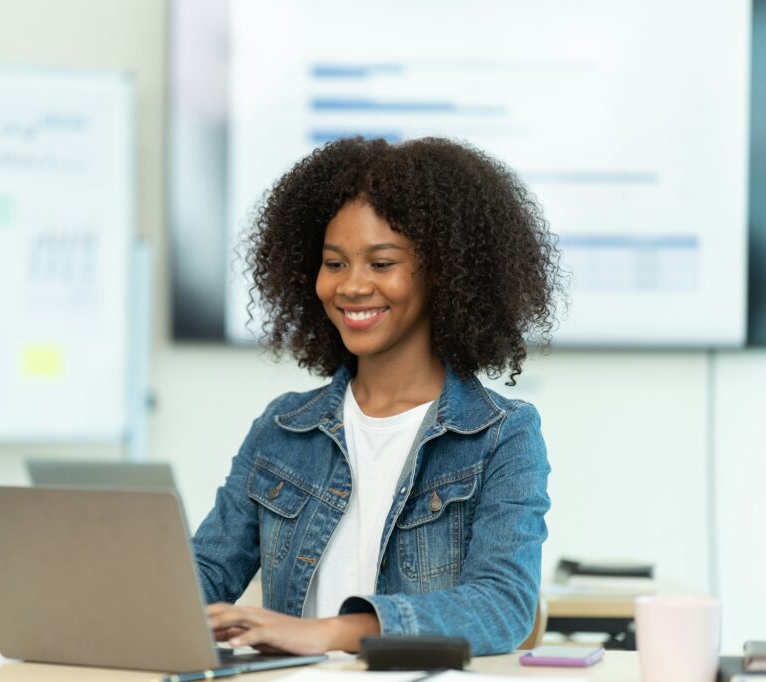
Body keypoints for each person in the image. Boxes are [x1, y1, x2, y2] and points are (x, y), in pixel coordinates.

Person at [192, 136, 564, 657]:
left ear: (442, 274)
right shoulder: (283, 428)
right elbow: (206, 573)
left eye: (381, 264)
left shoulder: (501, 436)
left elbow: (502, 607)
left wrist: (329, 633)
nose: (351, 286)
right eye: (335, 263)